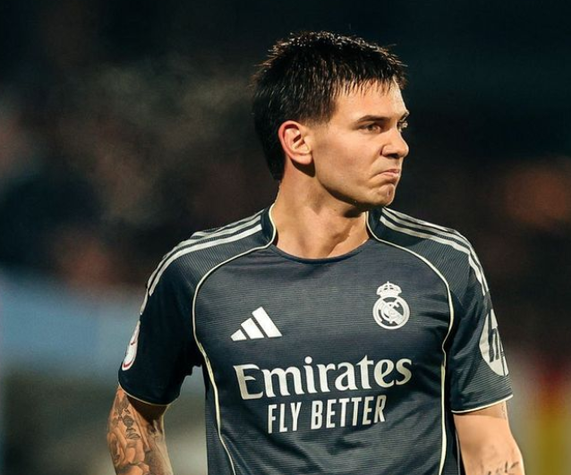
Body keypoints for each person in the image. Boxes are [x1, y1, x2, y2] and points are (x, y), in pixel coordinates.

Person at [108, 31, 525, 475]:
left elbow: (488, 438)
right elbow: (134, 412)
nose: (399, 146)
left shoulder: (444, 262)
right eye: (371, 126)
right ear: (298, 141)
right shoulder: (197, 273)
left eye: (399, 126)